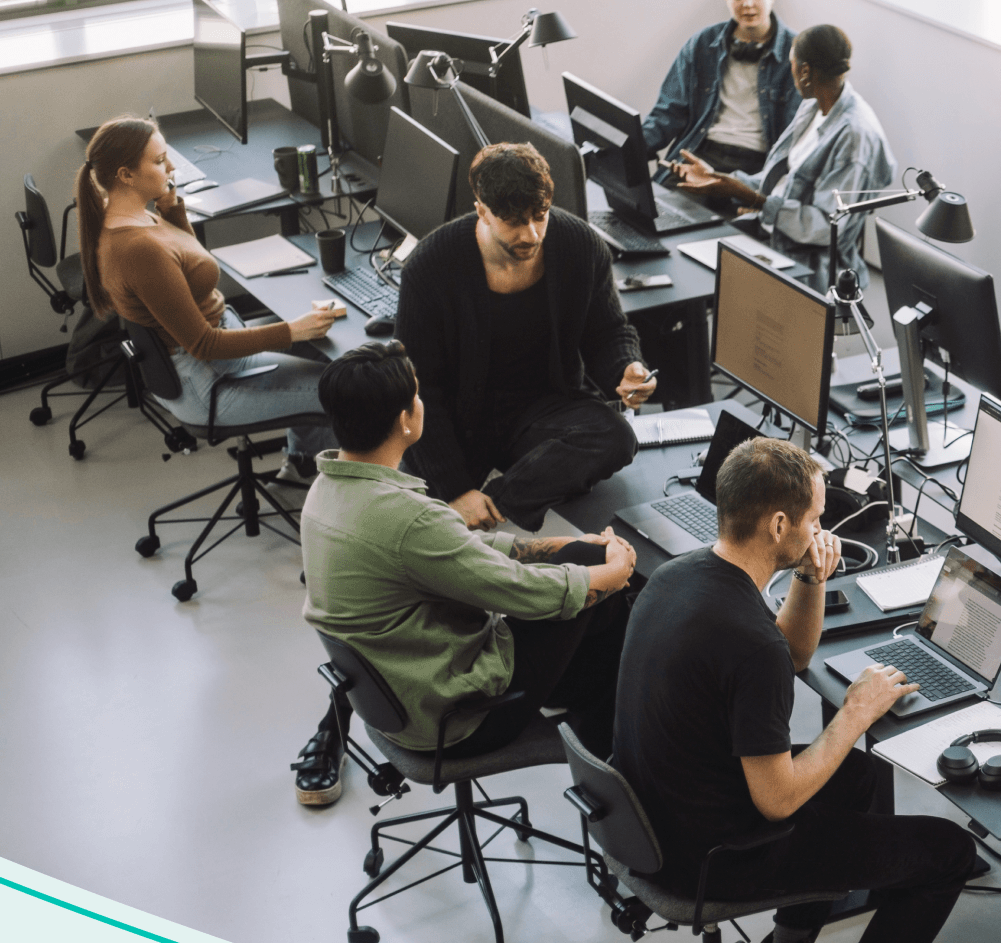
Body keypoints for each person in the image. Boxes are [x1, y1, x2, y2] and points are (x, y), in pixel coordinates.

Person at [614, 437, 970, 943]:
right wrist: (855, 714)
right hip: (714, 860)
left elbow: (793, 658)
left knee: (856, 775)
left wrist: (809, 575)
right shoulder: (745, 639)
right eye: (813, 518)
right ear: (779, 523)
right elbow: (776, 799)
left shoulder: (682, 577)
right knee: (947, 852)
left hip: (653, 823)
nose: (820, 529)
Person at [292, 341, 638, 806]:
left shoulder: (328, 486)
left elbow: (457, 549)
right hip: (458, 718)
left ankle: (591, 716)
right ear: (404, 420)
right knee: (608, 599)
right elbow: (517, 592)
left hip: (396, 694)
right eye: (417, 396)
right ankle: (613, 773)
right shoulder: (406, 518)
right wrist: (611, 575)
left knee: (584, 563)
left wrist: (568, 547)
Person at [395, 143, 658, 533]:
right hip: (459, 417)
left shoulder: (580, 246)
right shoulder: (430, 267)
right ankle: (466, 508)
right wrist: (455, 488)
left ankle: (496, 508)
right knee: (421, 532)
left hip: (543, 406)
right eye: (514, 221)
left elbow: (608, 330)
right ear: (481, 210)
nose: (531, 234)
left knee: (616, 436)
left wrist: (626, 367)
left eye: (540, 216)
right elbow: (420, 388)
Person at [79, 115, 344, 481]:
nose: (170, 166)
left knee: (328, 347)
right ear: (125, 175)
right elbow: (204, 344)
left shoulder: (134, 217)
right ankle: (342, 499)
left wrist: (172, 211)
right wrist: (292, 331)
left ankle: (300, 465)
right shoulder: (137, 249)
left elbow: (189, 268)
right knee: (348, 389)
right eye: (159, 161)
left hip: (218, 350)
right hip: (209, 381)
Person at [672, 24, 898, 292]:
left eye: (791, 65)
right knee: (680, 260)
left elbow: (826, 228)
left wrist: (756, 201)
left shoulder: (854, 136)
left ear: (804, 72)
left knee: (691, 286)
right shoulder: (814, 105)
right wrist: (720, 179)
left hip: (805, 262)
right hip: (771, 234)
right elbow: (781, 180)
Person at [644, 0, 800, 205]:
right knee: (658, 216)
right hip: (700, 155)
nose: (748, 4)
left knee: (729, 233)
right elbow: (667, 113)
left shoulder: (797, 53)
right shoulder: (702, 43)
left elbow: (798, 138)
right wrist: (631, 147)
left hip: (756, 168)